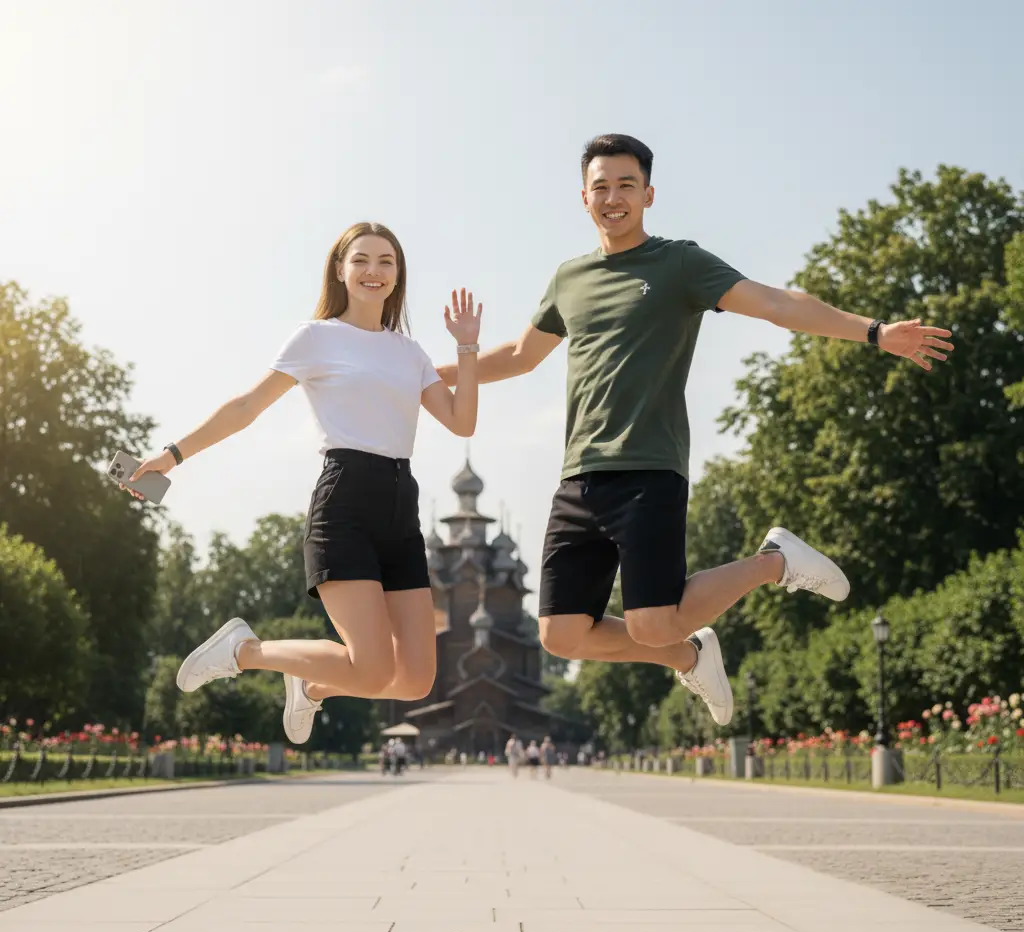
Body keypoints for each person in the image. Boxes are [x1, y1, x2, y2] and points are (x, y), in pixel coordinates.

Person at [438, 134, 953, 728]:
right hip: (578, 477)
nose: (613, 197)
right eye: (600, 187)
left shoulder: (679, 263)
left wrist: (874, 331)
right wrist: (428, 373)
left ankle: (773, 561)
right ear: (584, 198)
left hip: (649, 468)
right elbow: (520, 356)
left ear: (648, 194)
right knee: (561, 634)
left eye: (626, 185)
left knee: (651, 621)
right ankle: (693, 655)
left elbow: (778, 304)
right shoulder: (569, 278)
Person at [124, 222, 483, 744]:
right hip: (346, 505)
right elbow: (246, 406)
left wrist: (468, 348)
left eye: (386, 261)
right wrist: (172, 455)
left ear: (398, 274)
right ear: (340, 269)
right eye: (360, 260)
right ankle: (243, 651)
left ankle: (311, 686)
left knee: (414, 680)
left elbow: (461, 421)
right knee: (375, 667)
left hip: (402, 513)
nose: (373, 271)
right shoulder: (317, 337)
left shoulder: (411, 352)